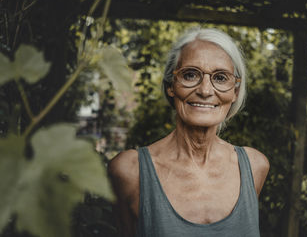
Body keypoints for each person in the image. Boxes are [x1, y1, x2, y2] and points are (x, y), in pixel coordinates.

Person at [108, 27, 270, 237]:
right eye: (190, 74)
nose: (204, 90)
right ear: (171, 85)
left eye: (220, 78)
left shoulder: (255, 166)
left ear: (235, 92)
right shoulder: (130, 171)